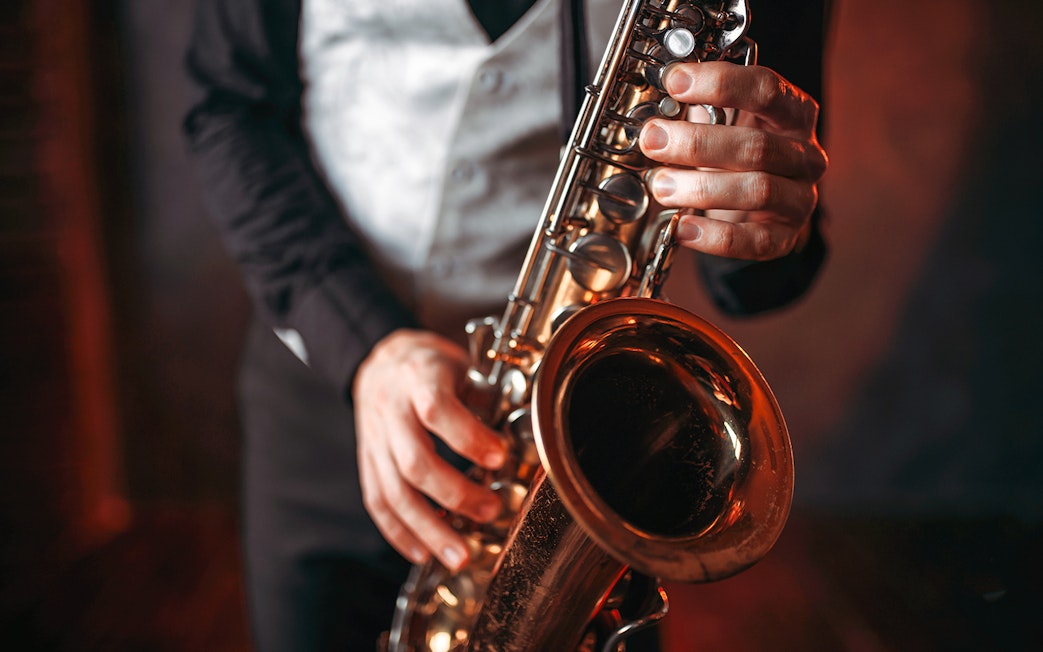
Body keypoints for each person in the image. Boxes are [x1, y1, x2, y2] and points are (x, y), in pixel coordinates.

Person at [183, 0, 830, 649]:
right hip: (320, 400)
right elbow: (228, 104)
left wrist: (768, 214)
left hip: (582, 435)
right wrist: (364, 341)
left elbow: (756, 279)